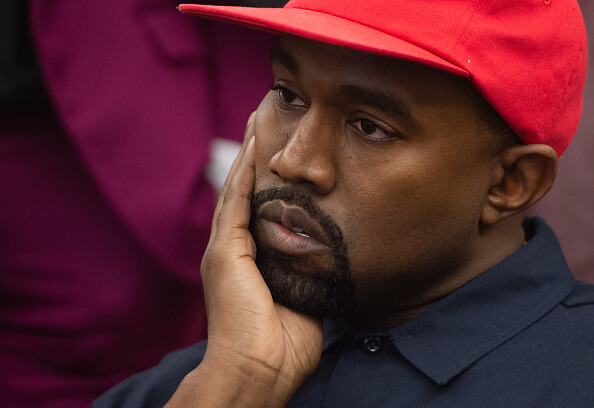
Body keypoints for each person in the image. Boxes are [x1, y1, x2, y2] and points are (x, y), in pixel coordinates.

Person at [94, 0, 594, 406]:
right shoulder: (194, 381)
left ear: (510, 182)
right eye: (288, 95)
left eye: (369, 126)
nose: (293, 161)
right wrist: (238, 382)